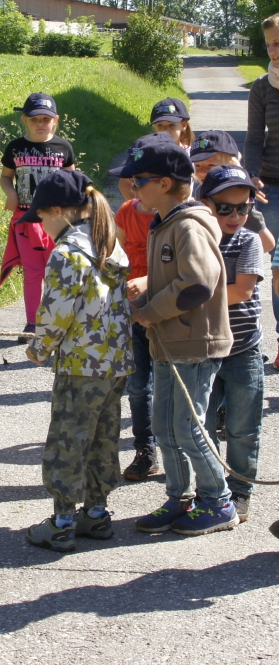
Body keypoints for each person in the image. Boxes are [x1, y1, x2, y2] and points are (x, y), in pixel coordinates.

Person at [126, 133, 238, 536]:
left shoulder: (189, 225)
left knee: (189, 427)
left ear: (165, 183)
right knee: (165, 425)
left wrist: (150, 312)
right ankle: (180, 497)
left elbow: (197, 284)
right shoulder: (165, 223)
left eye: (139, 181)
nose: (133, 187)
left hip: (195, 343)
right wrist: (144, 287)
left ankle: (218, 501)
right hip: (169, 343)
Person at [19, 170, 134, 553]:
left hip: (80, 366)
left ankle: (62, 522)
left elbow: (55, 314)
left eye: (42, 219)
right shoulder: (108, 243)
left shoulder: (67, 253)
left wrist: (38, 349)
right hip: (114, 362)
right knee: (103, 437)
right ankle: (97, 514)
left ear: (58, 211)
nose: (41, 228)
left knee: (68, 440)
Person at [201, 166, 264, 524]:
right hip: (204, 347)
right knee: (203, 425)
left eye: (244, 207)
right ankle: (213, 490)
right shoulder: (197, 238)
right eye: (225, 208)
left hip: (243, 349)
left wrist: (189, 301)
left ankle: (241, 489)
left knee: (242, 427)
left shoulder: (248, 240)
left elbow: (243, 291)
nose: (235, 216)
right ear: (205, 203)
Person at [0, 93, 75, 340]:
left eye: (46, 119)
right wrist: (10, 193)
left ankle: (57, 321)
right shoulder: (15, 147)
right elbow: (5, 176)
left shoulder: (64, 148)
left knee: (57, 271)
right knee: (33, 272)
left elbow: (72, 180)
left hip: (56, 221)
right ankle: (32, 323)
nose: (41, 123)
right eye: (35, 120)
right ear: (25, 120)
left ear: (55, 120)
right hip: (26, 219)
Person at [110, 149, 159, 481]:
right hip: (133, 312)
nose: (130, 184)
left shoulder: (174, 216)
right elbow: (117, 259)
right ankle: (146, 450)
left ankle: (181, 453)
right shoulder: (126, 212)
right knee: (139, 387)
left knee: (171, 385)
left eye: (137, 179)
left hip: (168, 310)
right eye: (129, 179)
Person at [245, 13, 279, 366]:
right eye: (270, 43)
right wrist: (250, 174)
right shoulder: (262, 87)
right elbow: (254, 140)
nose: (273, 50)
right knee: (277, 264)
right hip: (272, 186)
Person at [190, 130, 275, 254]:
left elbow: (268, 244)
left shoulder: (239, 202)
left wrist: (242, 255)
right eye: (197, 165)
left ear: (231, 165)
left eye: (211, 165)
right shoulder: (200, 192)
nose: (202, 171)